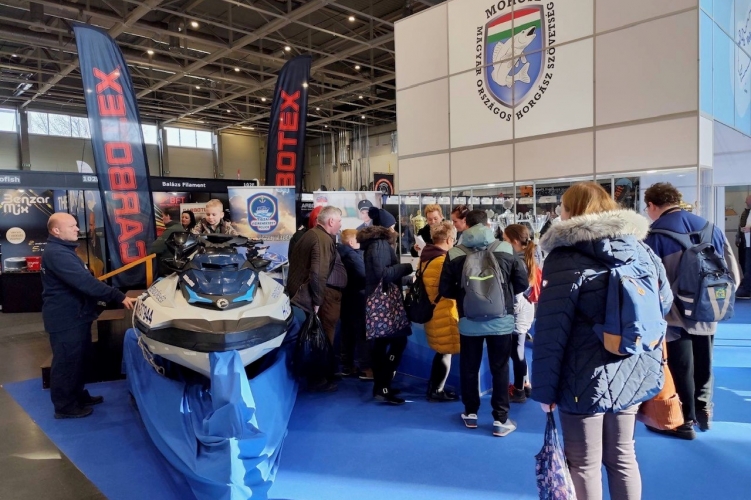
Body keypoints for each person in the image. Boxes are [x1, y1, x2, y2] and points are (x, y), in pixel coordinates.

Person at [532, 182, 672, 500]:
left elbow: (551, 330)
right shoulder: (642, 250)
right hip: (633, 366)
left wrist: (545, 391)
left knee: (584, 464)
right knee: (623, 457)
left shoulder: (564, 257)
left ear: (572, 211)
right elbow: (663, 302)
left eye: (563, 207)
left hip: (581, 377)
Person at [644, 182, 740, 435]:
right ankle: (703, 408)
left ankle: (684, 420)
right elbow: (733, 273)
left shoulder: (655, 235)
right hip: (708, 306)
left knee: (680, 364)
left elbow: (650, 280)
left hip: (674, 312)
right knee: (704, 359)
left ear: (652, 205)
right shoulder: (711, 228)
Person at [439, 210, 528, 436]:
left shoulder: (454, 253)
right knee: (500, 368)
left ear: (466, 225)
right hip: (501, 320)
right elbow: (522, 283)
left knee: (469, 367)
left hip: (469, 320)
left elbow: (445, 289)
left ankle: (470, 413)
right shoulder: (505, 249)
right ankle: (500, 419)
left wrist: (468, 297)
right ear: (488, 224)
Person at [41, 213, 138, 419]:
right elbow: (84, 282)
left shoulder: (64, 250)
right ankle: (65, 406)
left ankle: (77, 395)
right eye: (72, 226)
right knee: (67, 362)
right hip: (65, 318)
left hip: (77, 316)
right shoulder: (57, 253)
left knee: (79, 359)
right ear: (56, 230)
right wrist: (118, 296)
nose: (77, 229)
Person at [357, 207, 414, 405]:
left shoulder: (375, 244)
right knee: (396, 342)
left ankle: (382, 386)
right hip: (384, 303)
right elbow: (384, 274)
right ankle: (383, 385)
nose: (395, 229)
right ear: (385, 227)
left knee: (382, 344)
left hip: (380, 300)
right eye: (392, 226)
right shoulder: (380, 245)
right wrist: (407, 267)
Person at [286, 205, 344, 392]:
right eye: (339, 221)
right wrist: (318, 301)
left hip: (303, 294)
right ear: (331, 221)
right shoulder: (322, 239)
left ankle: (319, 375)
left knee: (318, 336)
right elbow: (318, 273)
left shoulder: (310, 235)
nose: (340, 225)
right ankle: (319, 378)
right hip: (314, 297)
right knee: (321, 338)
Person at [420, 221, 459, 402]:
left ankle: (435, 387)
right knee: (445, 352)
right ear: (449, 239)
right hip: (443, 311)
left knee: (441, 351)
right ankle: (437, 390)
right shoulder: (443, 261)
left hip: (433, 310)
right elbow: (448, 288)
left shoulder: (427, 256)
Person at [502, 224, 541, 403]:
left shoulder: (517, 261)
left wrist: (512, 309)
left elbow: (518, 289)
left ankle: (518, 390)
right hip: (527, 307)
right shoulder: (532, 255)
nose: (503, 243)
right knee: (519, 350)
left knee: (517, 352)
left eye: (505, 240)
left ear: (515, 241)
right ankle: (525, 384)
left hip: (519, 310)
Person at [337, 229, 372, 379]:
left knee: (347, 333)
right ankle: (366, 368)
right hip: (358, 299)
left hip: (345, 298)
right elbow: (364, 274)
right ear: (352, 242)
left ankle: (347, 365)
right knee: (361, 334)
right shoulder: (352, 256)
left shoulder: (339, 254)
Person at [735, 194, 751, 298]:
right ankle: (746, 288)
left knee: (748, 267)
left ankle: (746, 289)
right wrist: (738, 236)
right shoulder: (746, 212)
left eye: (747, 200)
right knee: (747, 267)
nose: (746, 202)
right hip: (747, 244)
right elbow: (740, 225)